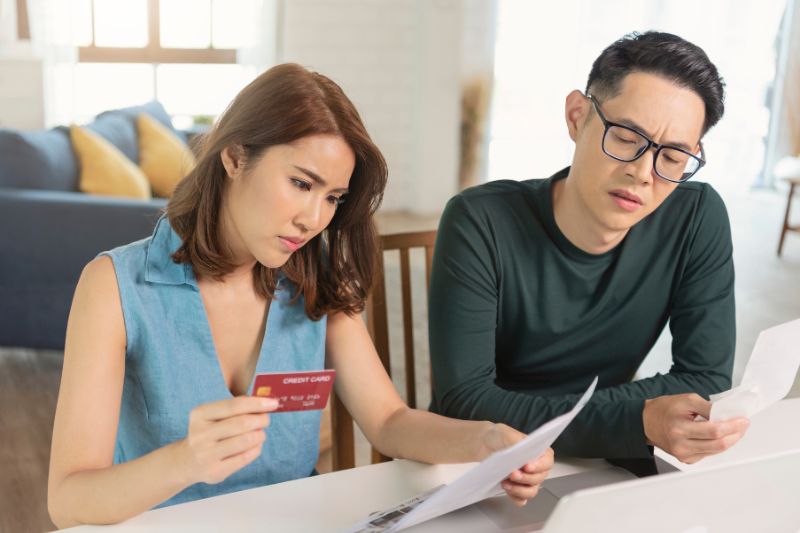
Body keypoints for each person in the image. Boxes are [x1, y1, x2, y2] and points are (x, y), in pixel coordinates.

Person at [47, 63, 554, 528]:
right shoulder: (114, 285)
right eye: (300, 183)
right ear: (235, 157)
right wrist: (184, 461)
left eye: (332, 197)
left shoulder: (316, 283)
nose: (313, 219)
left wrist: (486, 441)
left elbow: (388, 421)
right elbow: (68, 499)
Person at [428, 32, 750, 467]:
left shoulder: (695, 216)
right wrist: (635, 419)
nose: (643, 172)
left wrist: (613, 423)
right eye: (626, 137)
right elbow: (465, 402)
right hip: (485, 463)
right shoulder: (480, 220)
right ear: (577, 116)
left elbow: (707, 378)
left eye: (673, 158)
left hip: (601, 458)